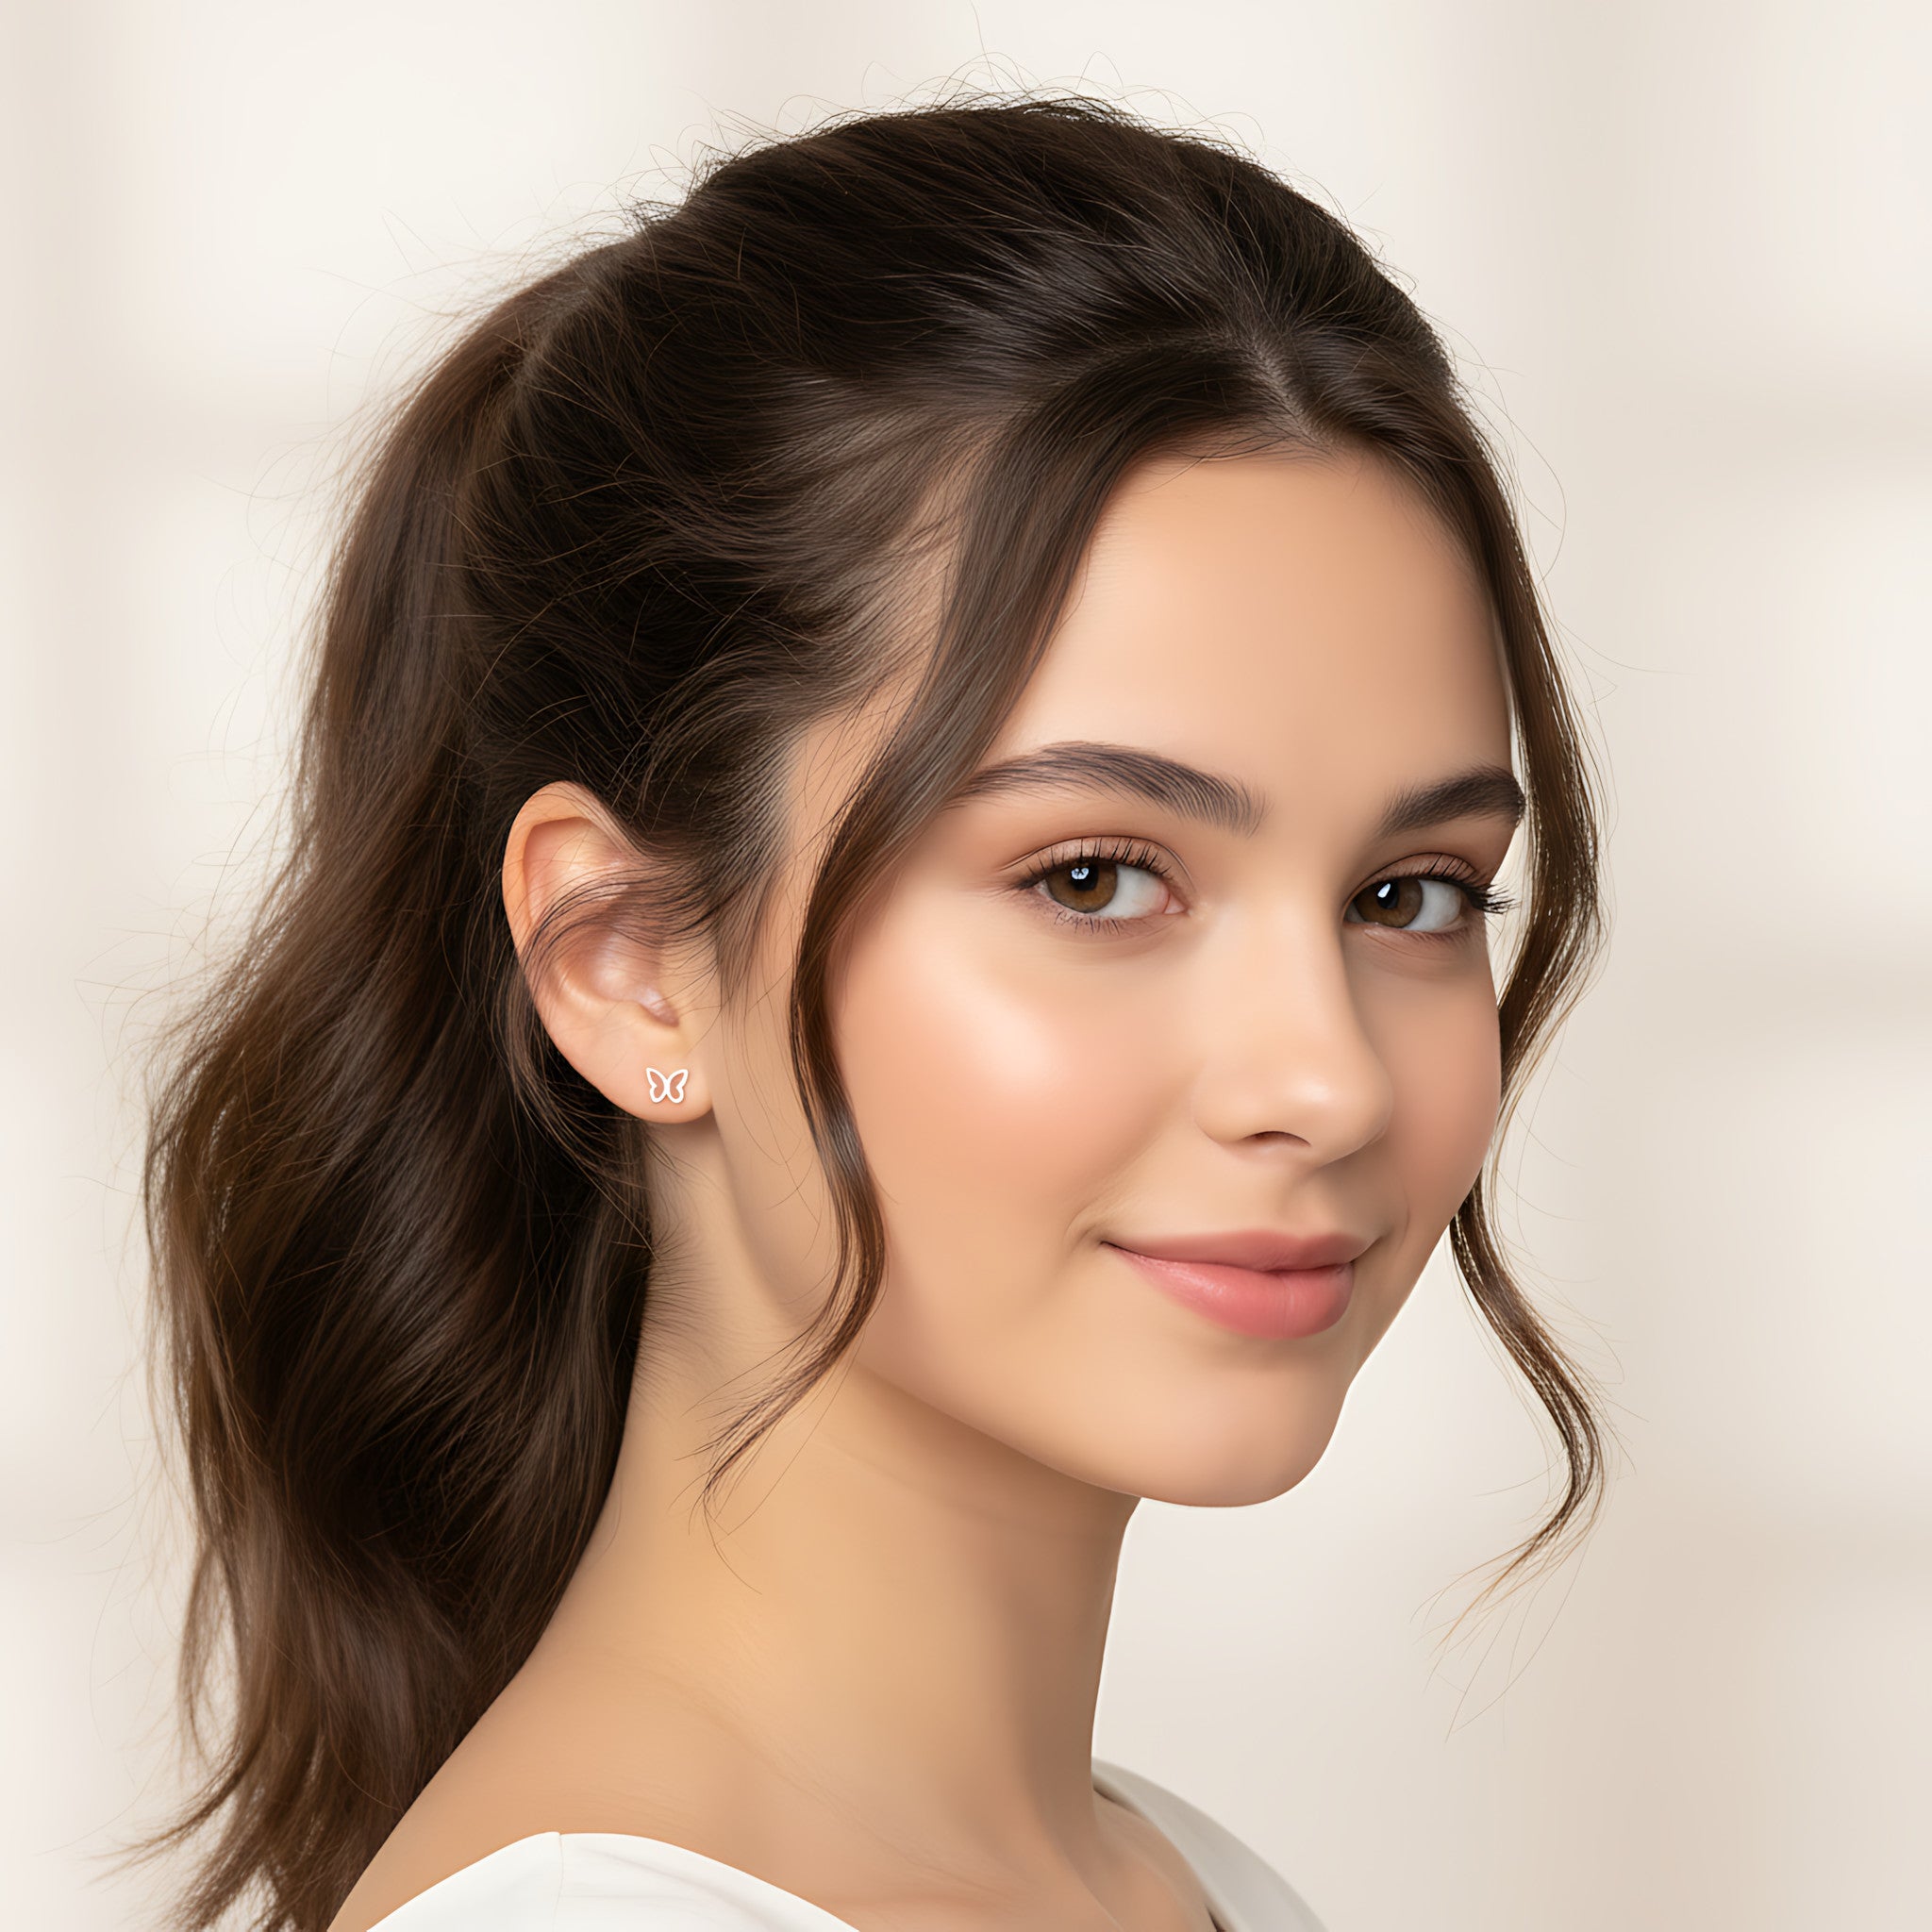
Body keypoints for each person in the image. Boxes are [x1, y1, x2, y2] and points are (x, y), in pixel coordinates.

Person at [138, 92, 1609, 1932]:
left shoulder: (1176, 1884)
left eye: (1411, 896)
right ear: (625, 955)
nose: (1322, 1078)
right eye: (1093, 876)